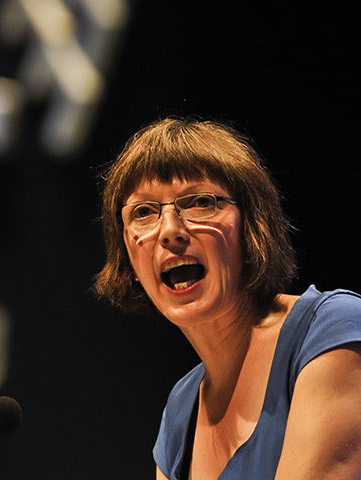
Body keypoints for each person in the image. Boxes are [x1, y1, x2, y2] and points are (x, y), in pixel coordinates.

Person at [94, 117, 361, 479]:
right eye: (143, 212)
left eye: (201, 202)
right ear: (127, 248)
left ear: (251, 224)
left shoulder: (331, 329)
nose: (170, 231)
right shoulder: (180, 411)